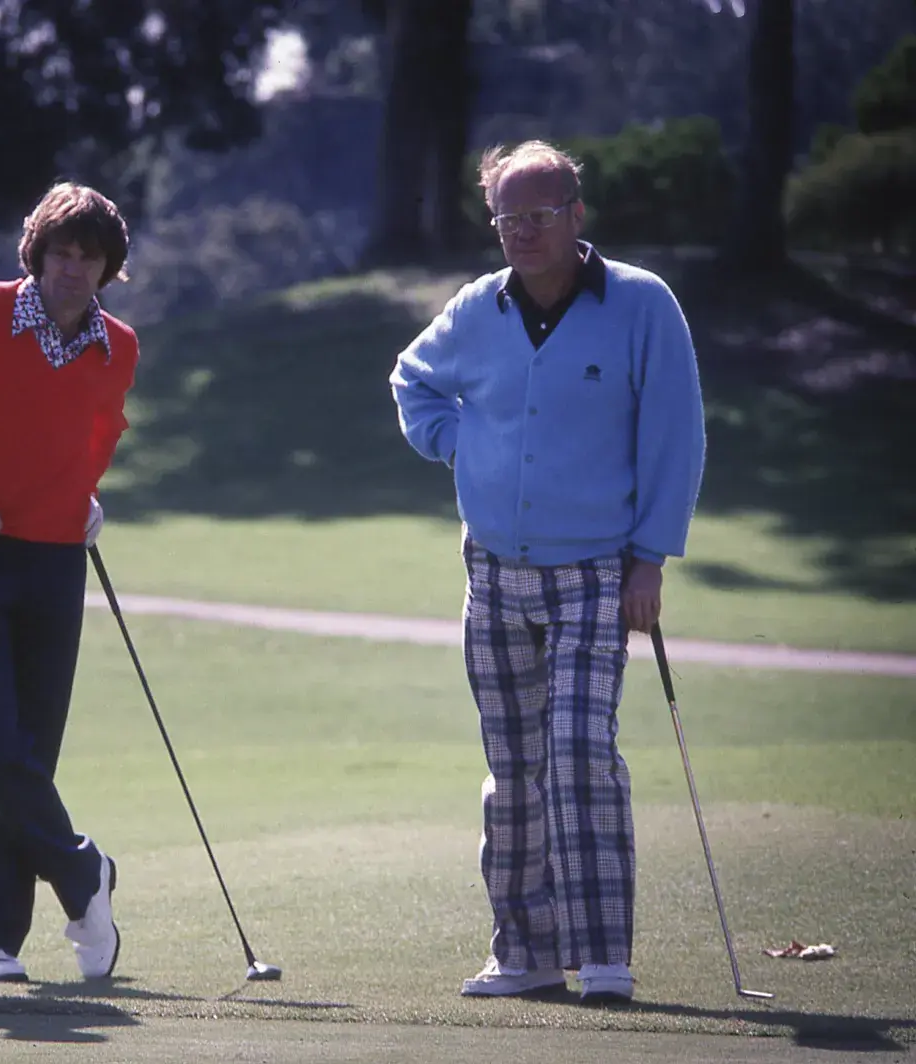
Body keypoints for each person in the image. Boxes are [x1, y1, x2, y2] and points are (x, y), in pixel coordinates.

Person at [389, 140, 705, 1004]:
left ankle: (602, 955)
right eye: (506, 218)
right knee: (513, 766)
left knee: (576, 752)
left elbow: (676, 436)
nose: (521, 233)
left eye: (538, 215)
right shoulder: (474, 309)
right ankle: (524, 953)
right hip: (491, 572)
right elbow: (412, 380)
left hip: (598, 570)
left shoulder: (642, 304)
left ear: (577, 214)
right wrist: (464, 446)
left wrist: (652, 560)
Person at [0, 183, 137, 984]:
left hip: (58, 559)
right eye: (63, 252)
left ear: (107, 267)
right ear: (38, 253)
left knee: (28, 757)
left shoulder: (117, 344)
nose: (74, 268)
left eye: (90, 257)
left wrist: (84, 495)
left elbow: (99, 433)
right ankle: (84, 872)